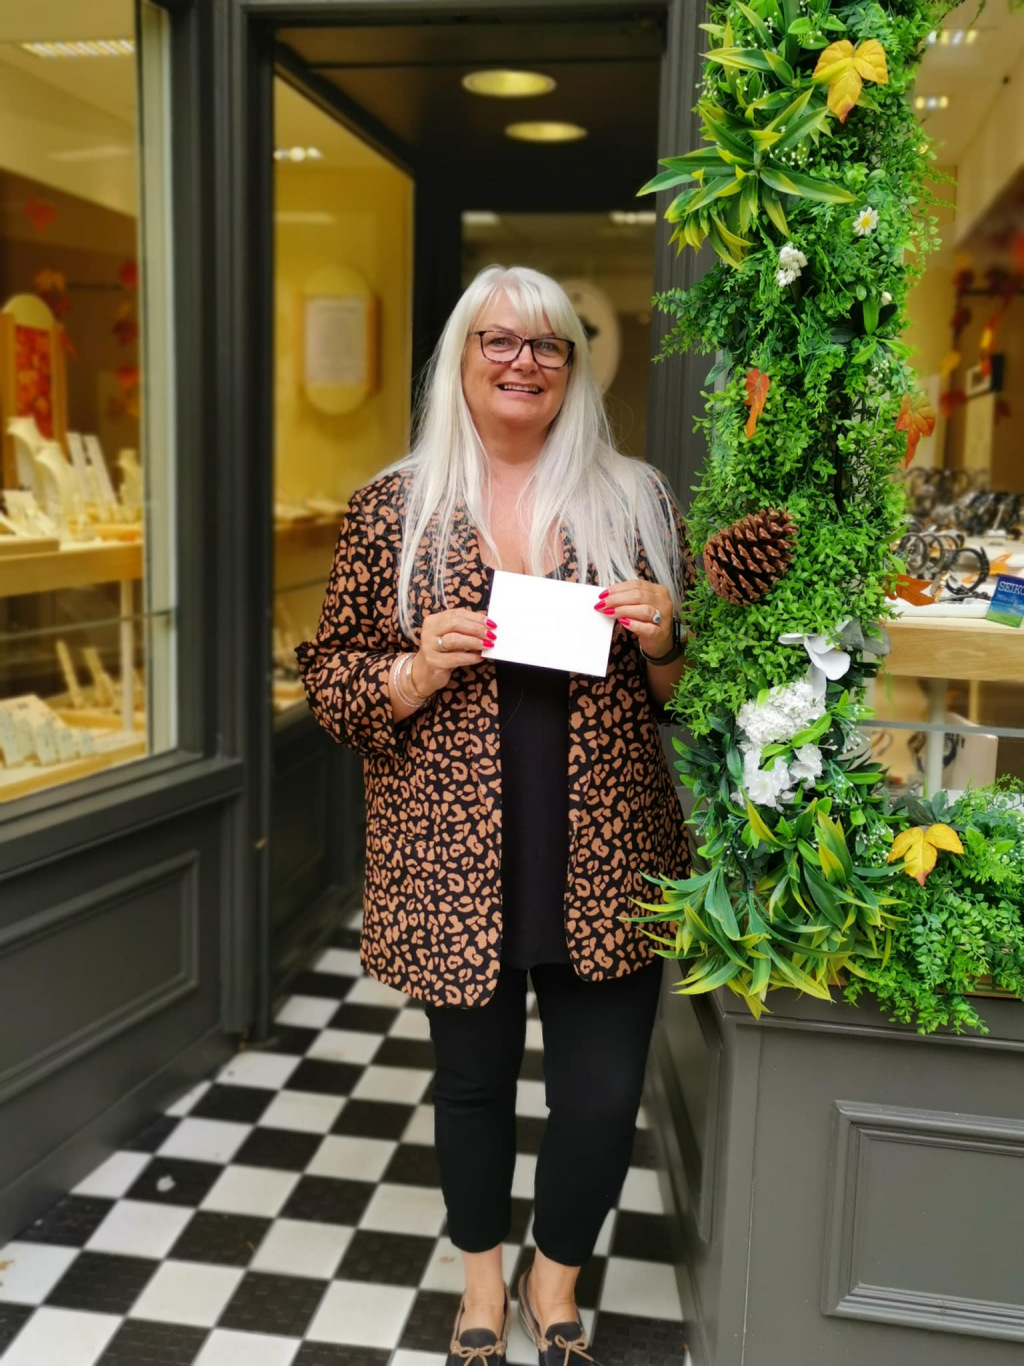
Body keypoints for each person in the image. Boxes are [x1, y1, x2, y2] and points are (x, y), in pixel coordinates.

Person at [296, 265, 691, 1366]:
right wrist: (413, 671)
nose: (524, 362)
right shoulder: (395, 506)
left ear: (573, 366)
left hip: (607, 856)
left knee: (603, 1097)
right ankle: (480, 1282)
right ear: (462, 359)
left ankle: (550, 1275)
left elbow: (686, 698)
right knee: (470, 1086)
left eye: (548, 345)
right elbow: (331, 681)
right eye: (499, 342)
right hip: (453, 861)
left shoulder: (635, 499)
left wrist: (663, 638)